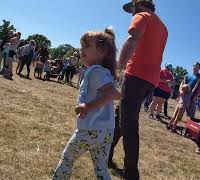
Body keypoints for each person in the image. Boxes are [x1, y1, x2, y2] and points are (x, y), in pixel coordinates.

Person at [53, 28, 120, 179]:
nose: (81, 49)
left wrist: (88, 106)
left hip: (91, 129)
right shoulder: (105, 73)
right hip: (107, 131)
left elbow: (112, 94)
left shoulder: (95, 71)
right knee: (101, 169)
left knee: (67, 159)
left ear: (102, 51)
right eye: (81, 46)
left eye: (86, 46)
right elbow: (116, 94)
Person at [117, 0, 168, 179]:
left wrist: (118, 67)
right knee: (121, 116)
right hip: (150, 81)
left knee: (129, 124)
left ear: (138, 5)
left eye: (131, 9)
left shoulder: (142, 16)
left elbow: (132, 40)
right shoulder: (163, 26)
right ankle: (105, 154)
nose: (131, 13)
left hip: (136, 76)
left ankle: (131, 173)